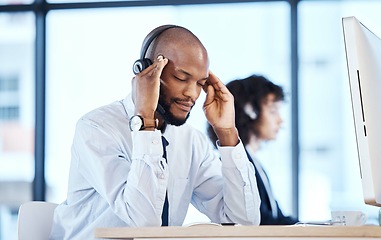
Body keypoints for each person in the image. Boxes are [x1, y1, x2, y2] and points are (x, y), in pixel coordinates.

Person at [49, 25, 260, 239]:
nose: (192, 94)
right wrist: (146, 123)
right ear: (146, 71)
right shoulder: (96, 129)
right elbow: (143, 221)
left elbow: (242, 223)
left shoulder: (191, 142)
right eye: (181, 78)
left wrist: (227, 134)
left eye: (201, 83)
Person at [207, 75, 298, 225]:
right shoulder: (233, 165)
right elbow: (262, 221)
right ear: (250, 111)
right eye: (273, 111)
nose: (280, 120)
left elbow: (277, 217)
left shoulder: (254, 162)